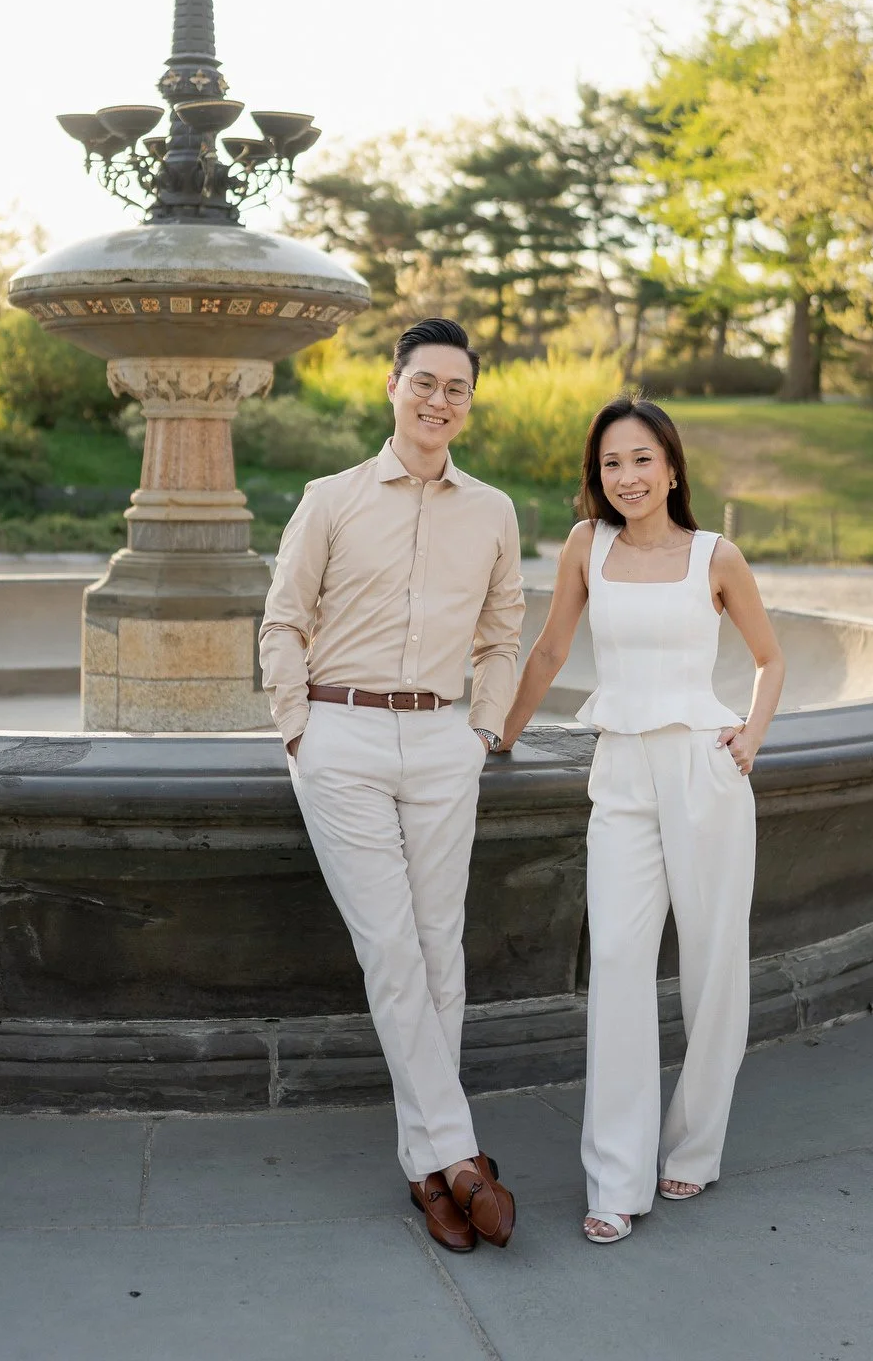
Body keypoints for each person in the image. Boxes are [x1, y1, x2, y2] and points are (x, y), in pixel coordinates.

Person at [259, 318, 525, 1254]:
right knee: (391, 948)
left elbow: (503, 630)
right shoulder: (329, 500)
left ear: (468, 402)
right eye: (425, 382)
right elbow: (284, 619)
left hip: (444, 739)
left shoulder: (492, 510)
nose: (439, 400)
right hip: (342, 738)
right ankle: (461, 1155)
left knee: (439, 947)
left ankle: (429, 1168)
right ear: (393, 386)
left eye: (456, 388)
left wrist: (484, 727)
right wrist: (300, 731)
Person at [501, 395, 784, 1246]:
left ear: (672, 467)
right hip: (619, 769)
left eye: (641, 461)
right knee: (620, 961)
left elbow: (770, 660)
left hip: (705, 768)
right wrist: (497, 734)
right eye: (611, 463)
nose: (626, 477)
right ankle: (615, 1179)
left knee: (712, 964)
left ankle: (694, 1148)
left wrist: (751, 740)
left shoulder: (716, 556)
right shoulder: (588, 546)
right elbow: (551, 650)